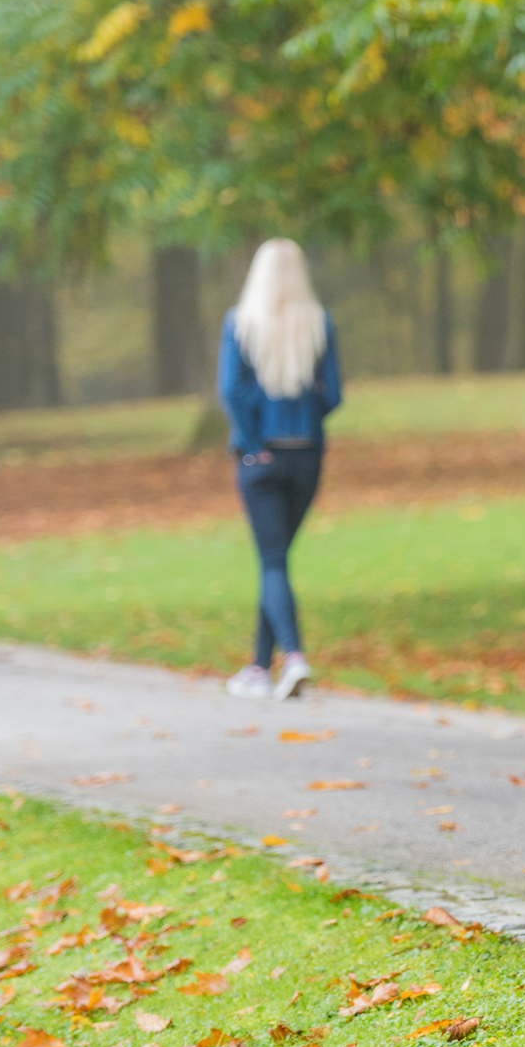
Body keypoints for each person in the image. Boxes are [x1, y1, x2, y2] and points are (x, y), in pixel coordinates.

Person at [218, 239, 342, 702]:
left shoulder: (241, 323)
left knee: (273, 561)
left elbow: (231, 390)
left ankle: (291, 656)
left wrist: (252, 444)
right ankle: (257, 667)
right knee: (277, 561)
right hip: (306, 455)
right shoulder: (318, 324)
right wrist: (304, 418)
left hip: (261, 458)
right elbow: (333, 395)